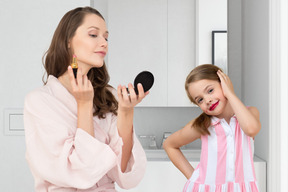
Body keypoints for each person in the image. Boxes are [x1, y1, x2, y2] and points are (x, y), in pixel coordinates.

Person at [24, 7, 148, 192]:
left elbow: (123, 170)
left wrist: (126, 111)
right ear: (67, 41)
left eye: (106, 37)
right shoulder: (40, 102)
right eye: (93, 35)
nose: (104, 43)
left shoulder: (109, 96)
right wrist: (84, 105)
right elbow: (80, 172)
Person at [163, 64, 261, 192]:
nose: (207, 100)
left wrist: (230, 94)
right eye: (200, 100)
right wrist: (194, 178)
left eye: (210, 90)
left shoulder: (249, 113)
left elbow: (251, 129)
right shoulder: (202, 125)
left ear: (224, 83)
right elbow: (169, 144)